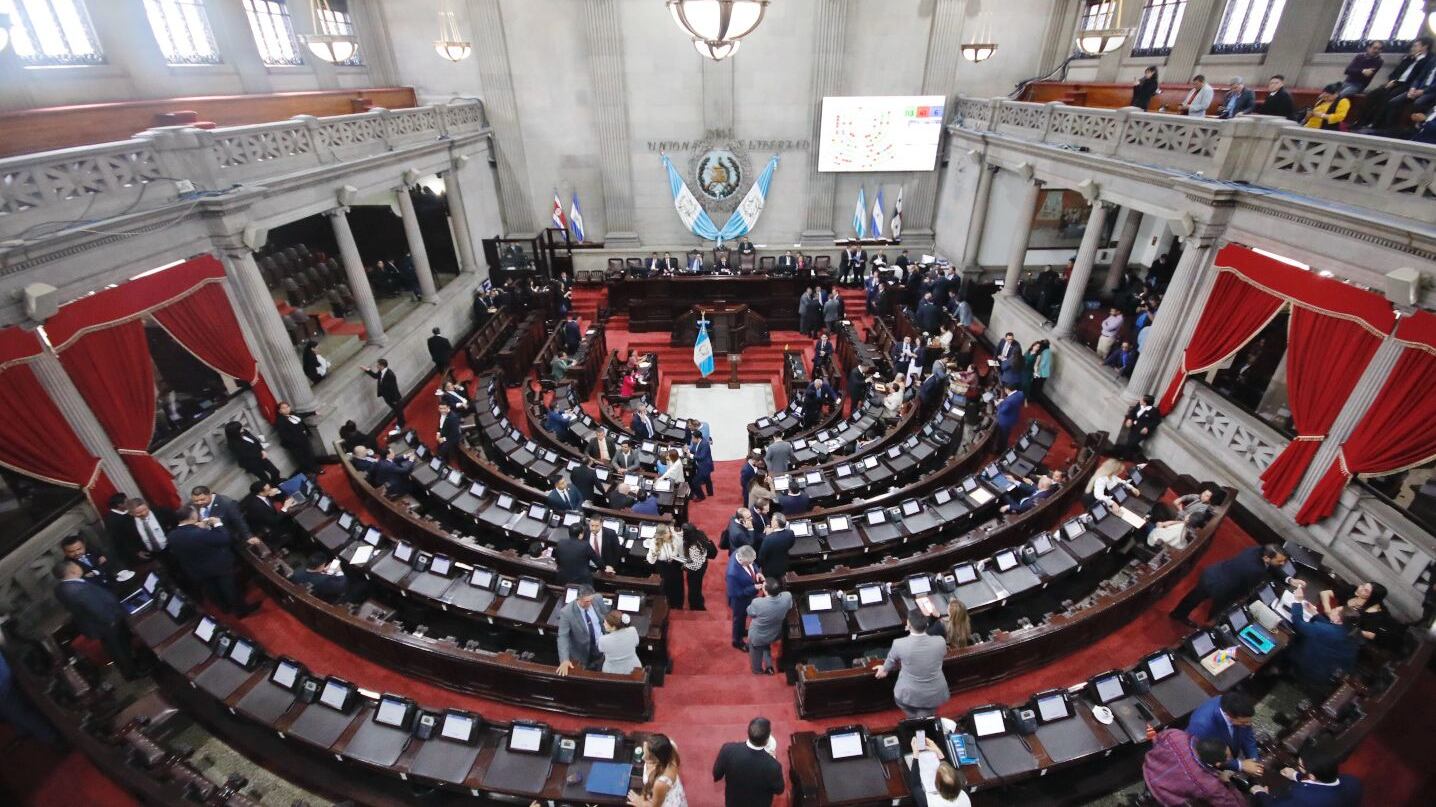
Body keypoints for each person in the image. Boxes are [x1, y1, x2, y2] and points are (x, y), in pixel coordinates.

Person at [52, 560, 145, 679]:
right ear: (72, 570)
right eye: (76, 565)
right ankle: (132, 673)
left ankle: (132, 666)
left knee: (118, 647)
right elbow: (95, 607)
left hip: (99, 623)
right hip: (106, 623)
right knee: (119, 649)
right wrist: (111, 620)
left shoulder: (61, 588)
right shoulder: (77, 590)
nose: (79, 566)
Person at [168, 505, 262, 616]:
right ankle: (241, 610)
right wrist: (218, 524)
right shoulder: (198, 533)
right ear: (193, 517)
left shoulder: (172, 536)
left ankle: (225, 609)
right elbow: (224, 539)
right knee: (229, 588)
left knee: (213, 591)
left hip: (196, 570)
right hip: (217, 566)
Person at [1169, 543, 1288, 627]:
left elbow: (1270, 566)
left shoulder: (1258, 550)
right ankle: (1208, 624)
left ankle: (1177, 614)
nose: (1283, 563)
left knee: (1194, 597)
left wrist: (1289, 579)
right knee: (1218, 609)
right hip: (1222, 587)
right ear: (1266, 558)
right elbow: (1246, 588)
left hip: (1213, 573)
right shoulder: (1256, 570)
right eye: (1280, 561)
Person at [1142, 728, 1246, 807]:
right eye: (1228, 758)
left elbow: (1156, 739)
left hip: (1148, 773)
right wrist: (1228, 784)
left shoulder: (1176, 736)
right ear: (1218, 764)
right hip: (1162, 795)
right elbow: (1231, 804)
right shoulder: (1208, 784)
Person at [1287, 584, 1360, 693]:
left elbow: (1298, 623)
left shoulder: (1325, 630)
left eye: (1335, 610)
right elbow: (1334, 629)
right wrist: (1315, 614)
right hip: (1328, 672)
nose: (1333, 609)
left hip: (1311, 671)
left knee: (1288, 643)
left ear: (1338, 619)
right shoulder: (1350, 632)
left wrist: (1297, 601)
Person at [875, 612, 949, 718]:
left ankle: (918, 720)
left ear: (908, 624)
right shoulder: (940, 641)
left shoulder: (899, 644)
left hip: (909, 695)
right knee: (925, 715)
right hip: (936, 693)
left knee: (918, 718)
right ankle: (923, 718)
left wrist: (884, 668)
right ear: (927, 624)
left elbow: (890, 661)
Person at [1251, 740, 1363, 807]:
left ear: (1312, 776)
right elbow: (1322, 785)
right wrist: (1296, 776)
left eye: (1300, 766)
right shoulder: (1353, 781)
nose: (1299, 768)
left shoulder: (1301, 795)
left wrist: (1260, 793)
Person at [1356, 36, 1433, 129]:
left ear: (1425, 47)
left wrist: (1418, 59)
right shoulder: (1409, 58)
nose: (1413, 48)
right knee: (1373, 94)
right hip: (1396, 82)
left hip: (1406, 85)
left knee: (1388, 97)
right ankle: (1361, 121)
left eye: (1416, 46)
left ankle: (1375, 125)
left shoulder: (1428, 60)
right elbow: (1396, 72)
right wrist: (1392, 80)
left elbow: (1418, 77)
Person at [712, 716, 785, 807]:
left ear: (748, 732)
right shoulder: (773, 766)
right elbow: (779, 790)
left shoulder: (727, 749)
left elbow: (717, 774)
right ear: (767, 741)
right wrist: (772, 759)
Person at [1187, 692, 1264, 776]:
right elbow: (1204, 757)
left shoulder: (1235, 706)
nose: (1249, 724)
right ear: (1229, 715)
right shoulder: (1201, 727)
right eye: (1243, 723)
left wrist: (1254, 762)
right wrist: (1240, 765)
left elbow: (1247, 735)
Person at [1320, 581, 1403, 654]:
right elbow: (1324, 593)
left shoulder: (1374, 614)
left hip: (1347, 635)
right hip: (1333, 621)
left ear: (1372, 597)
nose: (1360, 588)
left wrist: (1347, 626)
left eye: (1366, 590)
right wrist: (1328, 611)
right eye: (1363, 585)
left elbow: (1371, 635)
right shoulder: (1352, 590)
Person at [556, 584, 611, 675]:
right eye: (586, 601)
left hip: (602, 647)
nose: (590, 603)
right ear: (578, 598)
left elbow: (606, 616)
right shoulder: (567, 612)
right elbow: (563, 637)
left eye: (591, 600)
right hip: (582, 652)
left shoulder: (597, 598)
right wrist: (564, 660)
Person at [906, 734, 972, 807]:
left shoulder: (928, 803)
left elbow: (915, 785)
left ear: (937, 786)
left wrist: (915, 754)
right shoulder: (965, 795)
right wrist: (938, 752)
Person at [747, 578, 792, 675]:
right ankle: (769, 666)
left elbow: (750, 612)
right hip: (775, 633)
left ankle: (758, 670)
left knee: (756, 655)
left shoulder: (757, 602)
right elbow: (789, 606)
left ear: (766, 591)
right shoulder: (787, 596)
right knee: (765, 645)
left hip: (758, 636)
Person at [629, 733, 686, 807]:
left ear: (657, 760)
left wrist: (641, 803)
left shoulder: (660, 782)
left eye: (647, 757)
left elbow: (655, 806)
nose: (642, 758)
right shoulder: (670, 747)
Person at [289, 551, 366, 603]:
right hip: (324, 598)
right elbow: (343, 585)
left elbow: (312, 575)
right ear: (321, 566)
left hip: (304, 592)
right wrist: (339, 571)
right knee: (362, 584)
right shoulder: (324, 580)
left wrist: (323, 572)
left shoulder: (298, 570)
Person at [727, 545, 761, 650]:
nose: (751, 563)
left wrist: (757, 573)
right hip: (739, 601)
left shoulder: (742, 551)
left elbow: (753, 564)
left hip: (748, 596)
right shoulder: (732, 574)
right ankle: (737, 641)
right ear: (741, 559)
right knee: (738, 619)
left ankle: (742, 631)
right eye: (749, 562)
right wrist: (754, 588)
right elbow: (736, 593)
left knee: (744, 616)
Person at [361, 358, 405, 435]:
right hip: (387, 396)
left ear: (382, 366)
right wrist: (367, 370)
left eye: (378, 364)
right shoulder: (381, 371)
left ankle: (401, 424)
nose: (376, 366)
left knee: (398, 410)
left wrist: (394, 400)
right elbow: (375, 376)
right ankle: (399, 421)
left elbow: (394, 388)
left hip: (393, 398)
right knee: (395, 410)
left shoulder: (390, 375)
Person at [273, 402, 318, 476]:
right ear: (280, 411)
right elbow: (284, 435)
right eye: (283, 408)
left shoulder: (293, 414)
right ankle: (310, 471)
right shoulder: (280, 421)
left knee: (309, 453)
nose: (286, 409)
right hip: (295, 443)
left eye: (287, 407)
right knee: (302, 458)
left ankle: (314, 467)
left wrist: (313, 412)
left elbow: (302, 415)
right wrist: (296, 440)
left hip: (303, 438)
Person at [648, 525, 685, 608]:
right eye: (667, 533)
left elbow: (682, 552)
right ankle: (666, 605)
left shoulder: (675, 538)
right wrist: (654, 554)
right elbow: (651, 560)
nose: (670, 534)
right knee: (666, 584)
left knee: (677, 584)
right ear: (661, 535)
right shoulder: (654, 542)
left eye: (669, 532)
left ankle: (678, 604)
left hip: (675, 564)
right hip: (662, 566)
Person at [678, 524, 711, 610]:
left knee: (694, 587)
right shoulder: (700, 534)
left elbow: (695, 565)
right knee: (697, 585)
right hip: (703, 563)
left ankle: (695, 605)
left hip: (697, 569)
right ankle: (697, 600)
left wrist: (685, 565)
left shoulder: (693, 548)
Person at [756, 513, 795, 579]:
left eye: (772, 520)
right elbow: (791, 544)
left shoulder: (768, 539)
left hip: (770, 569)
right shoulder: (790, 533)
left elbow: (762, 556)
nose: (771, 521)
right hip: (784, 564)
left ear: (776, 523)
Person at [994, 384, 1025, 449]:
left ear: (1008, 390)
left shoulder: (1009, 401)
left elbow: (1002, 411)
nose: (1005, 390)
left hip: (1006, 421)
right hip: (1014, 416)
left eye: (1005, 389)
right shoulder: (1020, 393)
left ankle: (1001, 449)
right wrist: (1003, 401)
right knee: (1007, 433)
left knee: (1003, 436)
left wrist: (997, 404)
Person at [689, 432, 714, 501]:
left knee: (695, 482)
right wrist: (688, 451)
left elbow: (701, 457)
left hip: (705, 466)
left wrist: (691, 456)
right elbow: (692, 450)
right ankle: (710, 492)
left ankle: (701, 496)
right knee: (707, 479)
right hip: (701, 465)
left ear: (698, 438)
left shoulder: (705, 444)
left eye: (693, 438)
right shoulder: (696, 443)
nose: (692, 440)